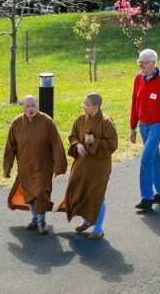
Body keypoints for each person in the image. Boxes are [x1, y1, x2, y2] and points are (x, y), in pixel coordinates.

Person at [3, 95, 67, 235]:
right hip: (26, 166)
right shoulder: (17, 123)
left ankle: (41, 222)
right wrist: (7, 167)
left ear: (37, 106)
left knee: (41, 194)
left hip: (44, 166)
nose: (30, 109)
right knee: (30, 195)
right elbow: (10, 147)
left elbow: (56, 144)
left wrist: (59, 165)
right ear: (22, 107)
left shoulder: (46, 122)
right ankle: (35, 218)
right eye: (27, 106)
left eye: (33, 106)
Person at [58, 92, 118, 239]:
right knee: (81, 193)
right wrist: (77, 144)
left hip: (99, 166)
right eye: (83, 104)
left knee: (97, 195)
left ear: (96, 106)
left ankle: (98, 229)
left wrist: (95, 141)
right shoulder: (80, 119)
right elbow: (72, 136)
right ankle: (87, 220)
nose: (83, 107)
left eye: (86, 104)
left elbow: (113, 145)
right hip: (82, 164)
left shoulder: (106, 122)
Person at [129, 48, 160, 212]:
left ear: (153, 63)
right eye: (139, 62)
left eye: (143, 62)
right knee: (155, 159)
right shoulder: (138, 78)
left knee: (146, 158)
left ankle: (146, 198)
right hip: (143, 125)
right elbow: (135, 102)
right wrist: (132, 126)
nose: (140, 65)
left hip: (158, 124)